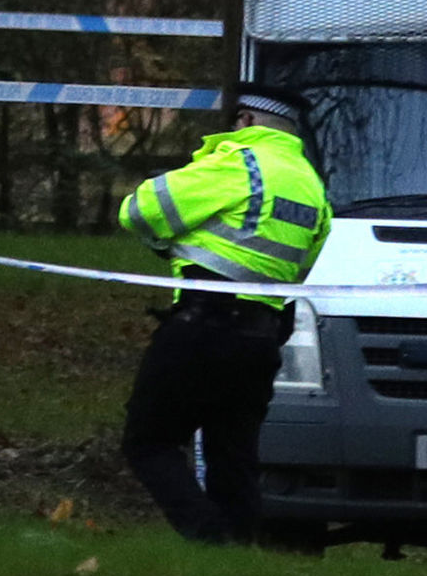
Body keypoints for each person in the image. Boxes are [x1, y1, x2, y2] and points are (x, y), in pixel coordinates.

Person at [117, 87, 333, 544]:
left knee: (148, 442)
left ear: (245, 118)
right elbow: (301, 261)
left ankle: (208, 535)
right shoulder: (313, 188)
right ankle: (236, 556)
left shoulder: (240, 163)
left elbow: (138, 210)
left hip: (201, 329)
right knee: (234, 461)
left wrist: (166, 242)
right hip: (259, 341)